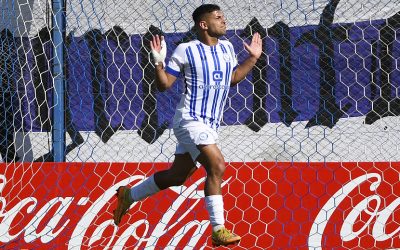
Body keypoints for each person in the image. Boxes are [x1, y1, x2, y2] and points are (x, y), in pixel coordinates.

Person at [113, 4, 262, 246]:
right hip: (189, 120)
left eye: (223, 17)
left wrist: (253, 58)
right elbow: (164, 85)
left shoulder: (227, 48)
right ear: (203, 25)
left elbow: (232, 79)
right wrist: (158, 63)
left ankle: (129, 195)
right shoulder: (186, 50)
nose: (224, 21)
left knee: (178, 175)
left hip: (211, 125)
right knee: (217, 165)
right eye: (218, 17)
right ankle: (218, 229)